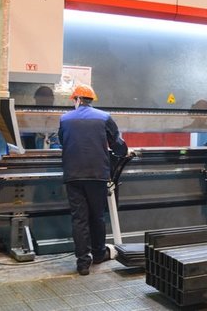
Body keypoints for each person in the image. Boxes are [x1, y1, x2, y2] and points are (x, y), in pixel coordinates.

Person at [58, 84, 128, 275]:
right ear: (91, 100)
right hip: (97, 175)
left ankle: (82, 263)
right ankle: (98, 254)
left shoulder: (64, 119)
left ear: (77, 100)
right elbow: (117, 144)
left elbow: (63, 141)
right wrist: (123, 152)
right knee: (97, 216)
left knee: (79, 218)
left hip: (73, 175)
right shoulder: (104, 117)